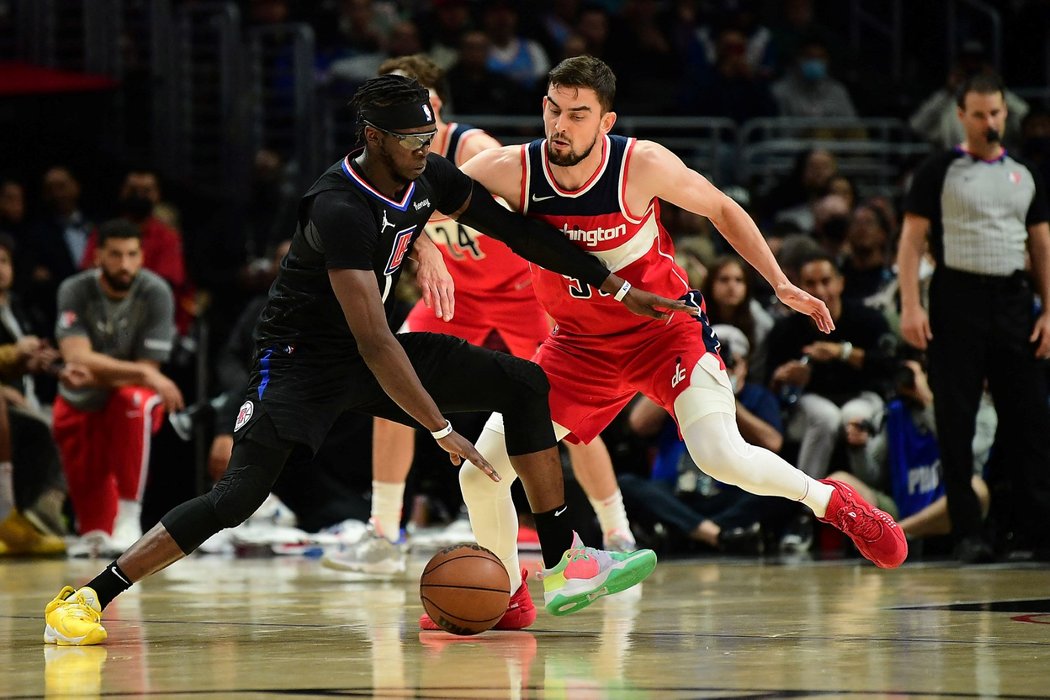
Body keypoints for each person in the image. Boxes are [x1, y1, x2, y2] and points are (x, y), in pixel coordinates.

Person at [42, 74, 694, 646]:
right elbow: (376, 340)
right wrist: (440, 429)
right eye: (412, 139)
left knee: (524, 383)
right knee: (236, 498)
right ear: (373, 137)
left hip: (364, 351)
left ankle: (562, 562)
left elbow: (516, 232)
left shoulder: (427, 172)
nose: (426, 149)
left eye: (431, 136)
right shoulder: (338, 207)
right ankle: (90, 595)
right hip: (300, 362)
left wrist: (609, 282)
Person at [436, 56, 907, 632]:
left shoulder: (642, 164)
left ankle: (833, 503)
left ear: (606, 122)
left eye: (578, 115)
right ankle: (510, 597)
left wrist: (779, 281)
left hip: (663, 331)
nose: (561, 125)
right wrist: (429, 248)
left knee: (718, 454)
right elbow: (423, 194)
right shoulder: (512, 168)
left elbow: (722, 208)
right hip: (579, 347)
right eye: (554, 110)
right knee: (478, 472)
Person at [325, 55, 635, 579]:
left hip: (521, 292)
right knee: (390, 376)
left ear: (435, 106)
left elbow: (518, 215)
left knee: (565, 405)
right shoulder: (385, 161)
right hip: (460, 296)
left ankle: (617, 530)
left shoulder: (473, 150)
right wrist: (423, 244)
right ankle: (382, 531)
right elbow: (386, 215)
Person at [898, 71, 1050, 563]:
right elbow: (910, 242)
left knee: (1027, 416)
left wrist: (1048, 310)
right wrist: (911, 305)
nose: (990, 121)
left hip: (1012, 297)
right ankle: (967, 531)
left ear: (1006, 113)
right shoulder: (938, 170)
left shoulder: (1025, 174)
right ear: (961, 116)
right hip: (956, 297)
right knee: (956, 418)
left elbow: (1043, 247)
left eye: (997, 113)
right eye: (980, 113)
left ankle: (1031, 527)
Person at [51, 219, 185, 558]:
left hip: (128, 403)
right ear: (97, 256)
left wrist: (105, 373)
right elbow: (76, 356)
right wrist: (140, 371)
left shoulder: (156, 291)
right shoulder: (75, 289)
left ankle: (131, 516)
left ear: (141, 257)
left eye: (131, 255)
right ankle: (98, 525)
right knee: (95, 535)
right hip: (80, 399)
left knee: (133, 401)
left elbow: (147, 374)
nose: (124, 264)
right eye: (115, 255)